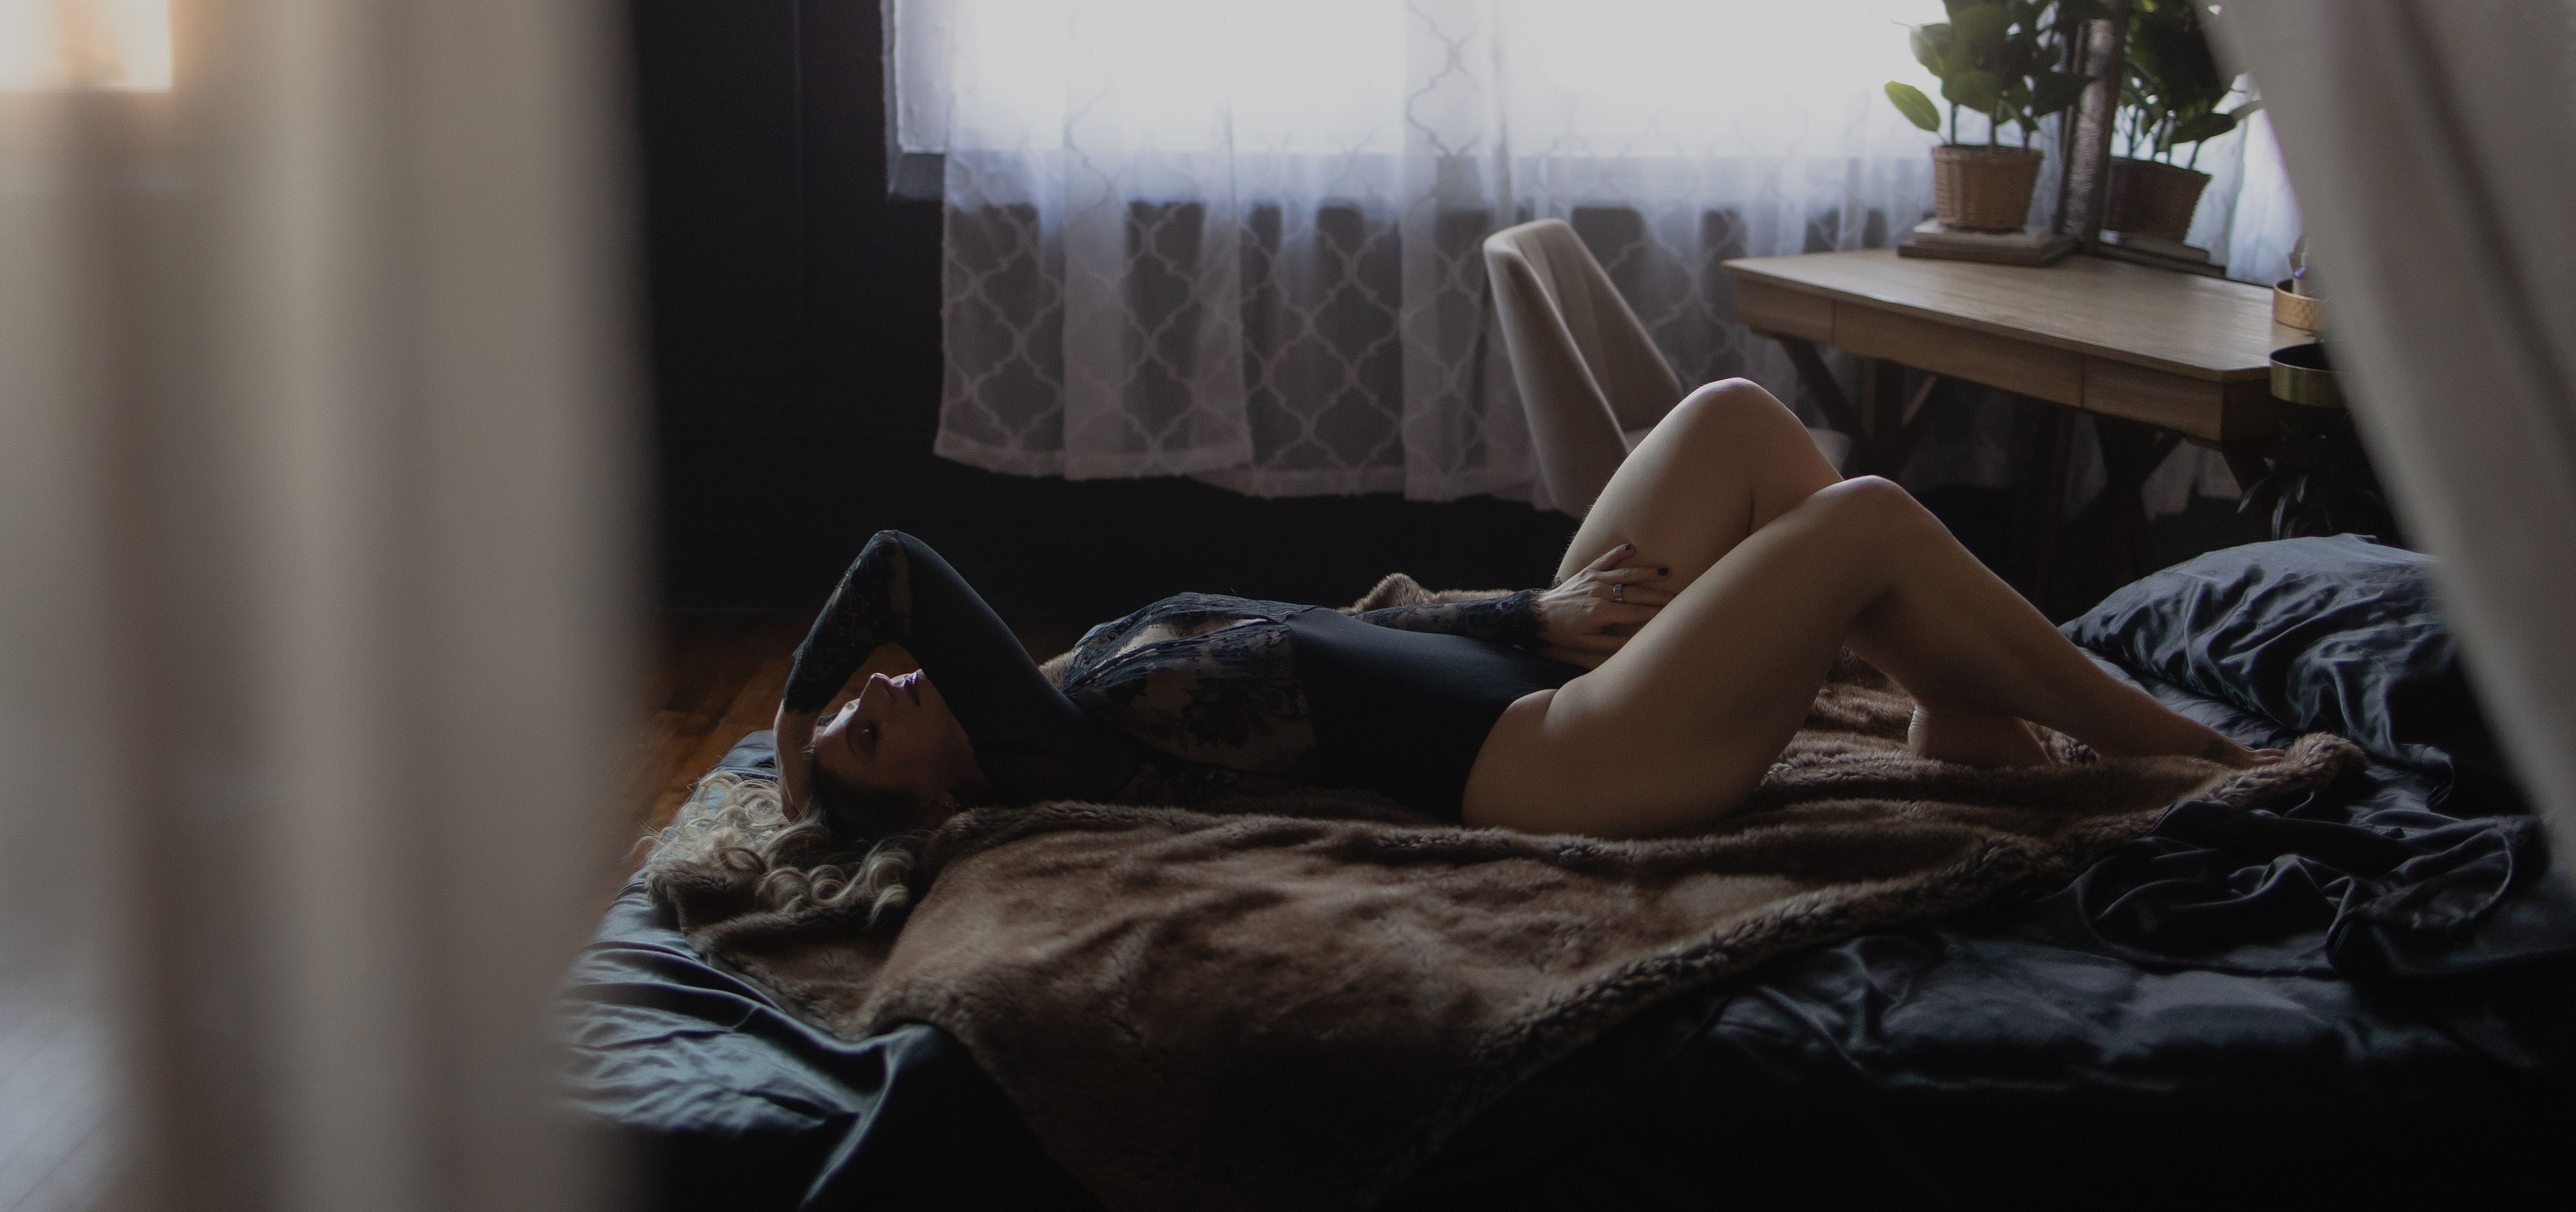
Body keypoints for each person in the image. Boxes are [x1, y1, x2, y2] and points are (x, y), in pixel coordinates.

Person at [769, 379, 2275, 844]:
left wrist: (1527, 606)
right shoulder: (1062, 750)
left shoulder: (1087, 668)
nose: (867, 703)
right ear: (945, 800)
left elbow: (1335, 644)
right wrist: (789, 728)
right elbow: (897, 565)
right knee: (1863, 519)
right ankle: (2172, 749)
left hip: (1525, 668)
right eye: (865, 744)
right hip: (1573, 759)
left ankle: (1957, 709)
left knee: (1741, 423)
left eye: (847, 706)